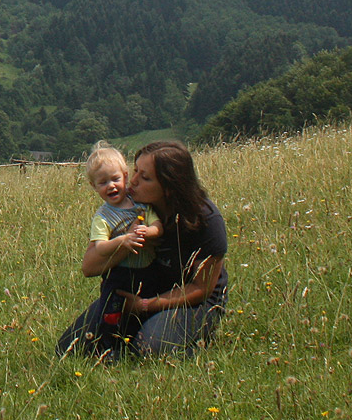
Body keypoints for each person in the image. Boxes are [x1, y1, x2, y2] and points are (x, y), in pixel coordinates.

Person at [57, 139, 227, 359]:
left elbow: (201, 288)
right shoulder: (131, 207)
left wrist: (145, 305)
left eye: (144, 177)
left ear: (169, 187)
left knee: (149, 348)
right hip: (140, 290)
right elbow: (89, 267)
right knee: (69, 349)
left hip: (192, 302)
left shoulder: (206, 220)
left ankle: (192, 346)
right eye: (135, 171)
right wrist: (129, 242)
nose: (132, 182)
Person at [55, 143, 161, 358]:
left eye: (115, 179)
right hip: (118, 276)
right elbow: (101, 247)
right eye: (103, 183)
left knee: (139, 311)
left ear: (125, 176)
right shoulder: (103, 217)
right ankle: (108, 349)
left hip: (147, 270)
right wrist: (123, 241)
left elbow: (158, 227)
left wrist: (145, 233)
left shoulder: (141, 205)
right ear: (94, 186)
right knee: (110, 314)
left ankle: (134, 341)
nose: (110, 186)